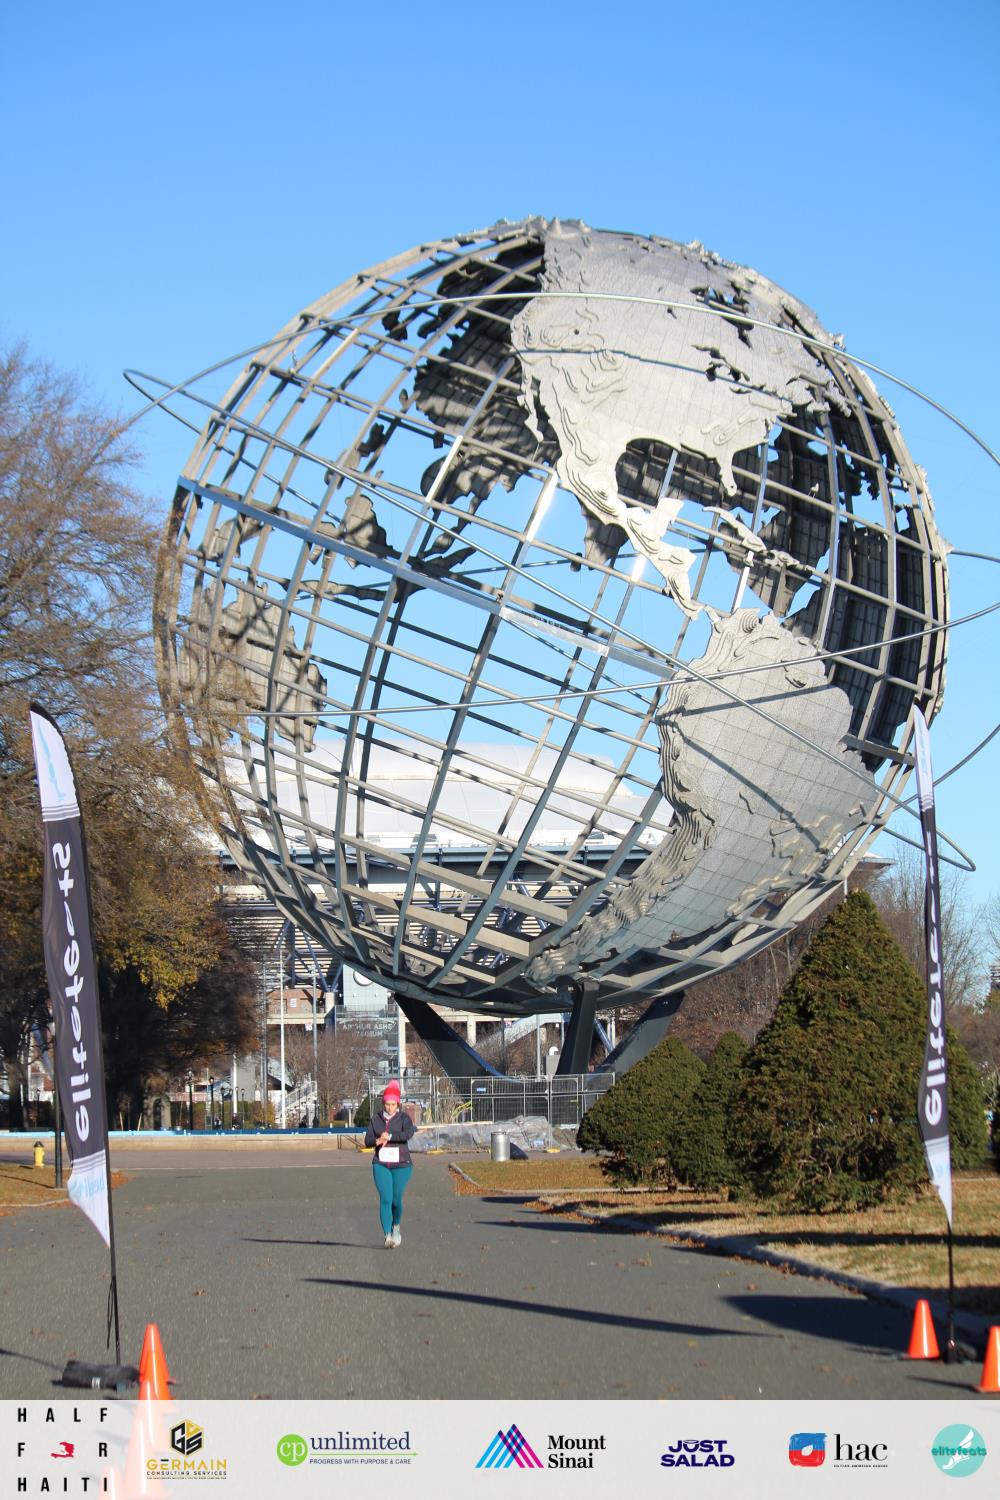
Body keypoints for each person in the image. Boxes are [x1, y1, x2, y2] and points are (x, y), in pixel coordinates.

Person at [364, 1079, 415, 1248]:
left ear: (398, 1104)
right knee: (386, 1199)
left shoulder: (404, 1118)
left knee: (396, 1200)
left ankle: (396, 1226)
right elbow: (367, 1140)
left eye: (393, 1104)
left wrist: (390, 1136)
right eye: (387, 1104)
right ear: (383, 1103)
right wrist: (377, 1140)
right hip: (381, 1164)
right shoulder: (376, 1119)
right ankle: (387, 1235)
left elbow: (408, 1133)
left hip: (402, 1164)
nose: (390, 1108)